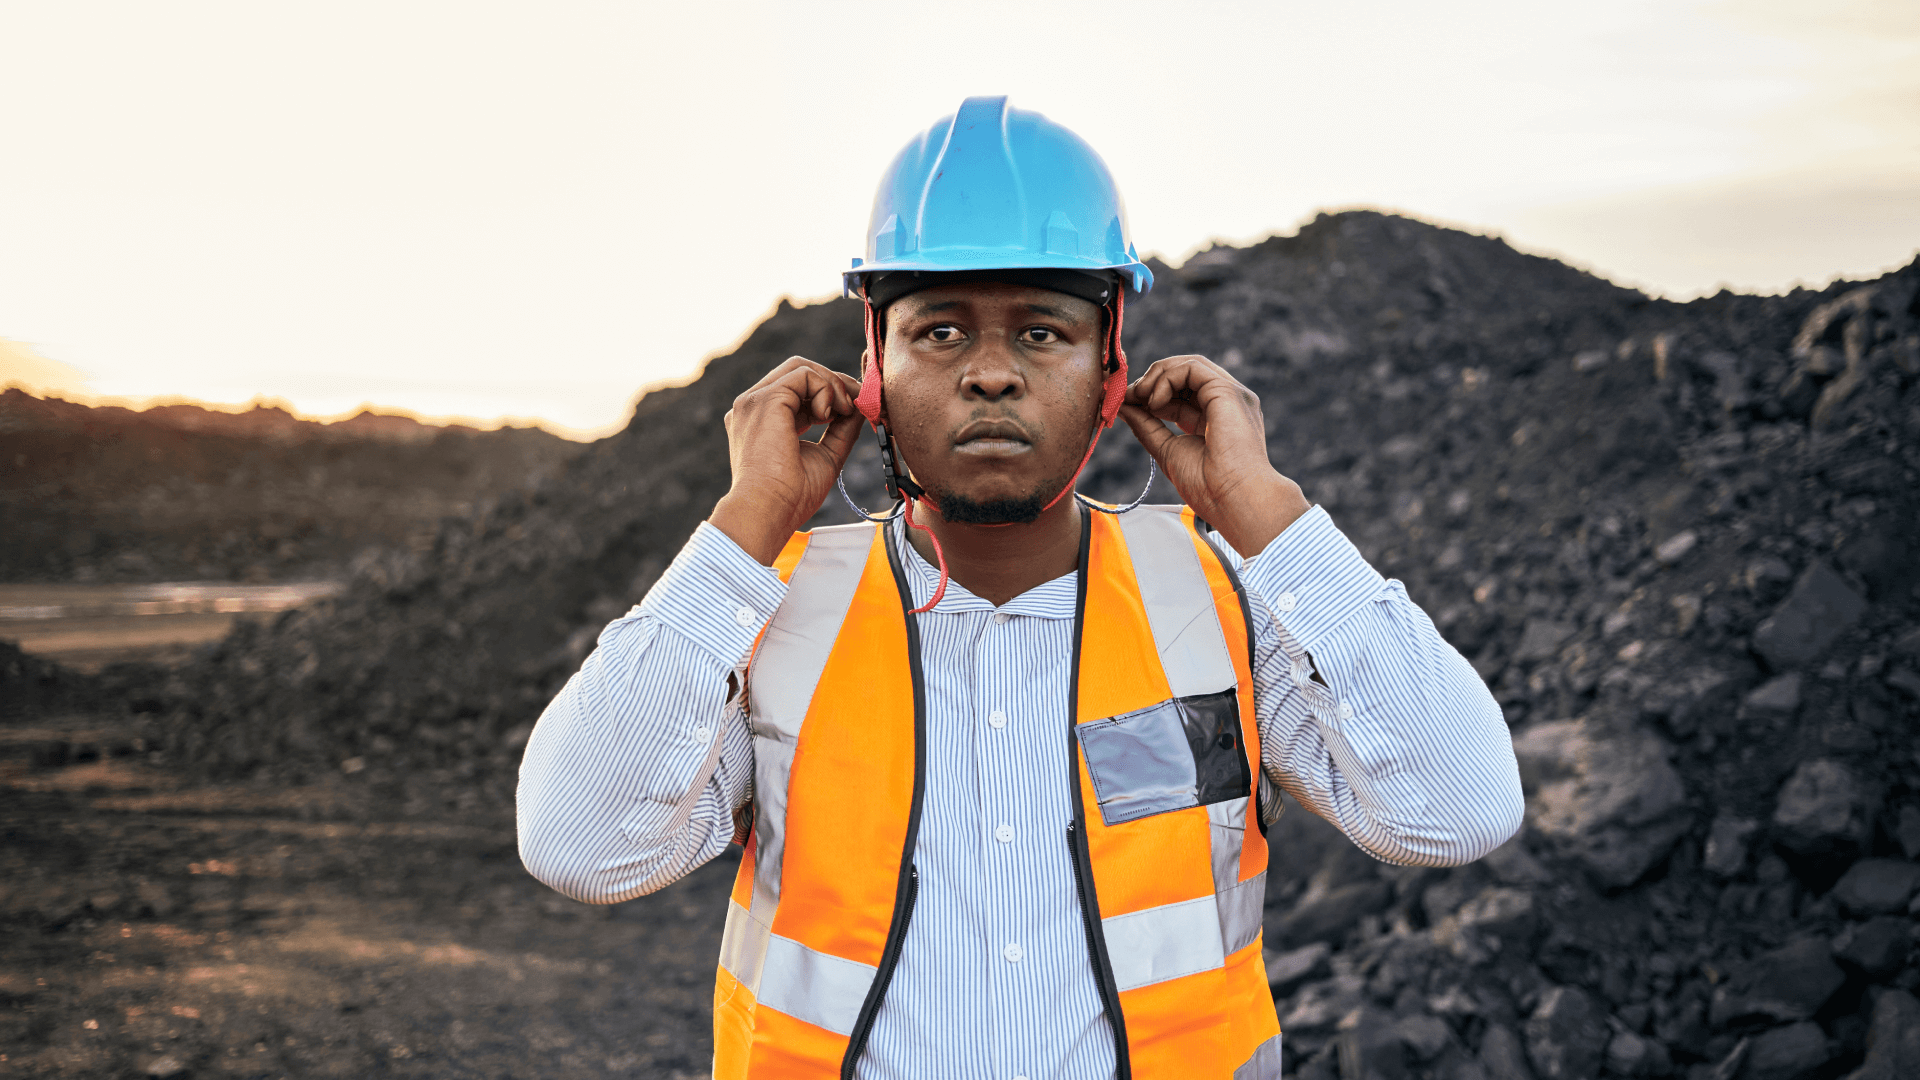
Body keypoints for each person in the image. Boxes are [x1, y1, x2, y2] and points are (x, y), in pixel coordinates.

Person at [517, 96, 1525, 1080]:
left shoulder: (1223, 601)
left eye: (1042, 331)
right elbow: (583, 846)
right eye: (940, 332)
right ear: (873, 368)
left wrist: (1270, 517)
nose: (991, 373)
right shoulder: (769, 612)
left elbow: (1457, 810)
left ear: (1109, 365)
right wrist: (745, 525)